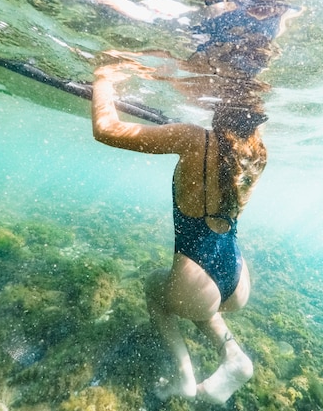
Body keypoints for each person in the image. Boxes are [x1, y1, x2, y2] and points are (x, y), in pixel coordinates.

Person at [91, 61, 268, 404]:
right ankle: (233, 357)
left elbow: (105, 128)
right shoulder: (257, 153)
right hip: (236, 278)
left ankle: (183, 377)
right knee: (201, 303)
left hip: (195, 279)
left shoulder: (193, 139)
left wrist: (103, 77)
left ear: (220, 109)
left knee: (155, 289)